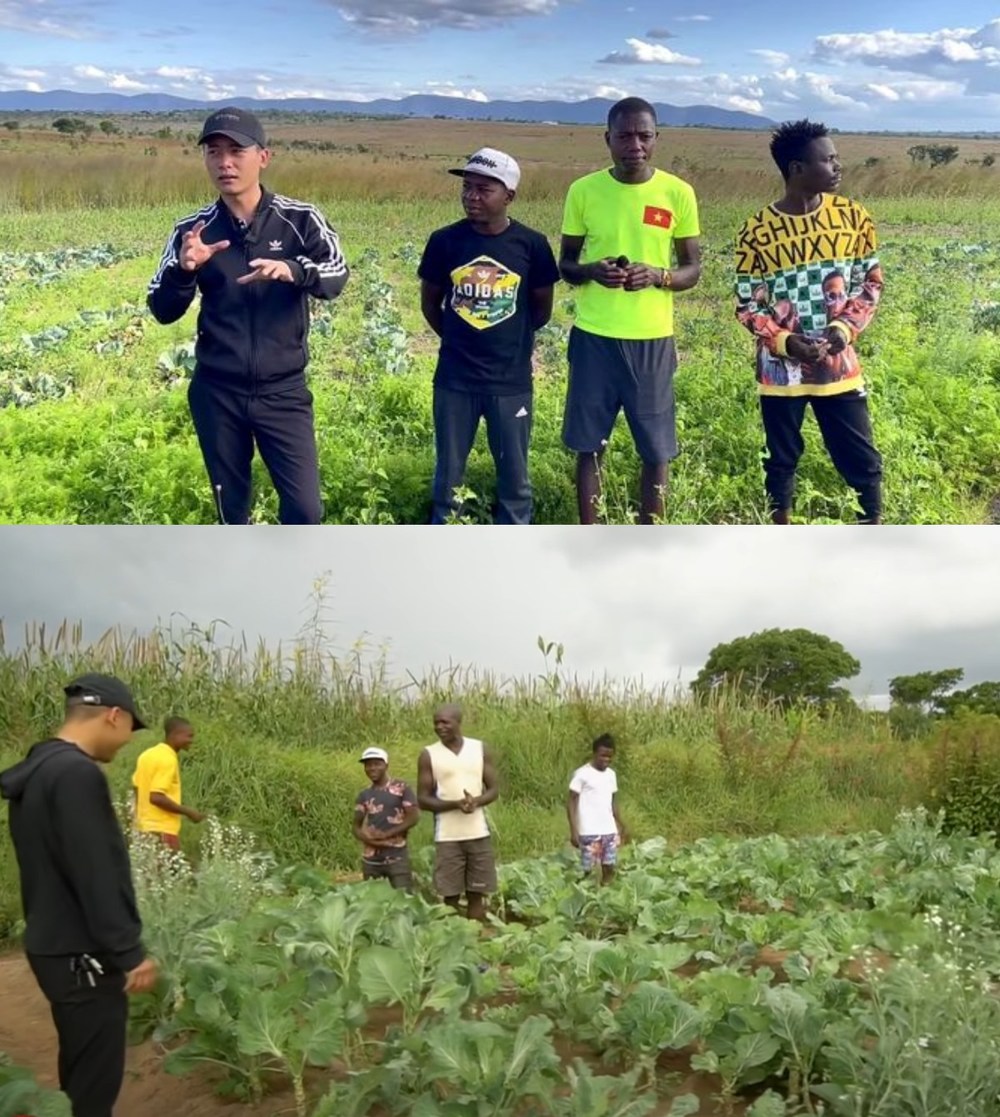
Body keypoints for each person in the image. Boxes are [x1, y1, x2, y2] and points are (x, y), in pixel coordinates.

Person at [148, 106, 349, 526]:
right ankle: (242, 582)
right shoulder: (194, 230)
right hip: (217, 391)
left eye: (237, 151)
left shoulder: (300, 219)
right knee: (230, 508)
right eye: (214, 152)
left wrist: (294, 270)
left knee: (305, 510)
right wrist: (186, 270)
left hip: (283, 392)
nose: (224, 163)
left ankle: (298, 585)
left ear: (263, 157)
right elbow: (162, 309)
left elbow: (336, 274)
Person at [0, 673, 158, 1117]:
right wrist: (128, 950)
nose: (126, 741)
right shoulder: (76, 775)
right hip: (82, 954)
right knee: (94, 1084)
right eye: (130, 728)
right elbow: (95, 870)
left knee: (79, 1065)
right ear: (113, 716)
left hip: (55, 946)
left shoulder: (40, 768)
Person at [559, 97, 702, 524]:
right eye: (624, 135)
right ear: (607, 139)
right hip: (594, 337)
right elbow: (565, 265)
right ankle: (593, 532)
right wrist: (591, 271)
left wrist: (658, 276)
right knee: (589, 446)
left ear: (657, 139)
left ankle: (649, 538)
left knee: (656, 450)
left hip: (652, 339)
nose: (634, 144)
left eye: (644, 135)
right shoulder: (583, 191)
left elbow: (692, 270)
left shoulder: (678, 193)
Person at [734, 118, 884, 525]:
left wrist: (842, 330)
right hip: (781, 372)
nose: (838, 167)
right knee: (780, 462)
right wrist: (785, 342)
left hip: (839, 367)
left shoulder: (854, 218)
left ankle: (873, 534)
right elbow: (748, 304)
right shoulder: (757, 231)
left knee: (862, 460)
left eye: (837, 159)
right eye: (828, 160)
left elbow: (869, 285)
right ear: (797, 168)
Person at [419, 147, 561, 524]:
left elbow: (540, 311)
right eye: (467, 188)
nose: (471, 197)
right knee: (448, 477)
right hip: (454, 380)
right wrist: (458, 340)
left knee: (515, 478)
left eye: (484, 189)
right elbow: (431, 304)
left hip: (510, 382)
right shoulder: (444, 242)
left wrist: (508, 341)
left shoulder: (532, 245)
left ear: (509, 196)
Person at [417, 704, 498, 920]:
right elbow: (423, 800)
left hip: (478, 833)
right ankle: (452, 941)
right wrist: (456, 804)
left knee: (476, 895)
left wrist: (476, 802)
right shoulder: (429, 754)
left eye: (445, 722)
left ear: (458, 722)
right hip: (447, 836)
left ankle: (477, 942)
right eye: (436, 722)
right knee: (449, 896)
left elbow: (494, 790)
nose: (439, 727)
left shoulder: (479, 749)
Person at [132, 716, 204, 850]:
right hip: (162, 831)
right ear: (175, 735)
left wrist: (139, 819)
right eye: (188, 736)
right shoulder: (168, 760)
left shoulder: (147, 755)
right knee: (169, 870)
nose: (191, 741)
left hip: (143, 830)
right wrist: (189, 812)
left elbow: (136, 787)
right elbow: (156, 797)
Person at [353, 746, 420, 890]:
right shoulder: (364, 795)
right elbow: (356, 827)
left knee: (404, 899)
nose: (372, 768)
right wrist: (369, 840)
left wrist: (387, 835)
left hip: (396, 856)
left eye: (377, 764)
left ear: (386, 765)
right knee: (372, 901)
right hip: (371, 859)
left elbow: (413, 817)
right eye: (368, 765)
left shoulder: (402, 788)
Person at [567, 734, 628, 885]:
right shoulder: (582, 774)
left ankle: (604, 898)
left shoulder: (611, 775)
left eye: (609, 756)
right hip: (589, 831)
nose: (606, 759)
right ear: (594, 753)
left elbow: (613, 802)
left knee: (609, 867)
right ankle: (586, 899)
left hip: (609, 830)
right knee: (589, 871)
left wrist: (621, 824)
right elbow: (571, 802)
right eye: (603, 755)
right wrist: (574, 830)